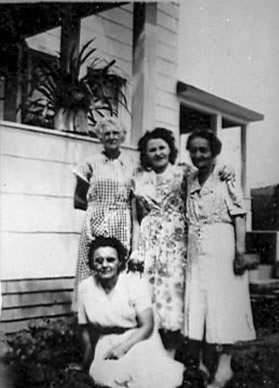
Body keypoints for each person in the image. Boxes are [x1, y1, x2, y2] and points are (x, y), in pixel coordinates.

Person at [130, 127, 233, 357]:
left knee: (174, 294)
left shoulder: (184, 173)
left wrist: (226, 169)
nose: (157, 153)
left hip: (177, 242)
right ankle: (149, 351)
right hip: (151, 242)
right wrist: (137, 250)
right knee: (151, 293)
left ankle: (172, 354)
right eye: (152, 149)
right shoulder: (138, 178)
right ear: (145, 153)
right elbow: (137, 218)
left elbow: (210, 174)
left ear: (170, 149)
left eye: (162, 148)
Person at [183, 129, 255, 388]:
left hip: (222, 245)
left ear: (214, 152)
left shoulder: (226, 177)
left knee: (223, 304)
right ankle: (203, 361)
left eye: (203, 150)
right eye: (193, 150)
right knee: (201, 302)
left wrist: (239, 252)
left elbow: (239, 216)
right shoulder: (189, 178)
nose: (198, 155)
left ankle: (224, 367)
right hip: (195, 248)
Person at [77, 236, 184, 388]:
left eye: (110, 260)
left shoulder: (134, 284)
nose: (104, 265)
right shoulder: (85, 288)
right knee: (105, 376)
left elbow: (147, 325)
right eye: (99, 261)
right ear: (92, 264)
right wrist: (86, 362)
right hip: (106, 342)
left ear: (120, 262)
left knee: (143, 374)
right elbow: (84, 330)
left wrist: (123, 348)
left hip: (138, 339)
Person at [73, 117, 136, 306]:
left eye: (115, 133)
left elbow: (134, 199)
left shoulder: (131, 164)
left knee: (117, 268)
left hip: (121, 225)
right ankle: (89, 319)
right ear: (100, 137)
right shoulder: (90, 163)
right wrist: (98, 212)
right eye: (106, 133)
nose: (111, 137)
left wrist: (118, 214)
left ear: (122, 136)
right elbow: (78, 199)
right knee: (93, 267)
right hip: (95, 224)